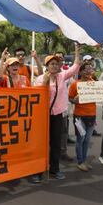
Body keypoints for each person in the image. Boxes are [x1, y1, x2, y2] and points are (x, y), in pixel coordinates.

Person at [33, 43, 80, 181]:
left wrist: (77, 51)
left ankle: (54, 169)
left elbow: (75, 67)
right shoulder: (40, 79)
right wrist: (45, 84)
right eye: (51, 64)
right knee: (42, 143)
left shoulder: (62, 76)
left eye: (56, 64)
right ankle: (38, 170)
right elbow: (38, 97)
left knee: (56, 143)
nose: (54, 66)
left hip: (58, 114)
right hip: (43, 116)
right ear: (47, 66)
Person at [68, 62, 97, 171]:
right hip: (79, 116)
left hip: (92, 115)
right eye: (85, 69)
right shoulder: (75, 84)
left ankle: (84, 160)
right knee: (80, 139)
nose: (88, 71)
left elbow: (99, 95)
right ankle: (80, 162)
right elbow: (70, 98)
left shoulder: (94, 83)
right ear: (80, 72)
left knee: (87, 140)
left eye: (90, 68)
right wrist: (74, 100)